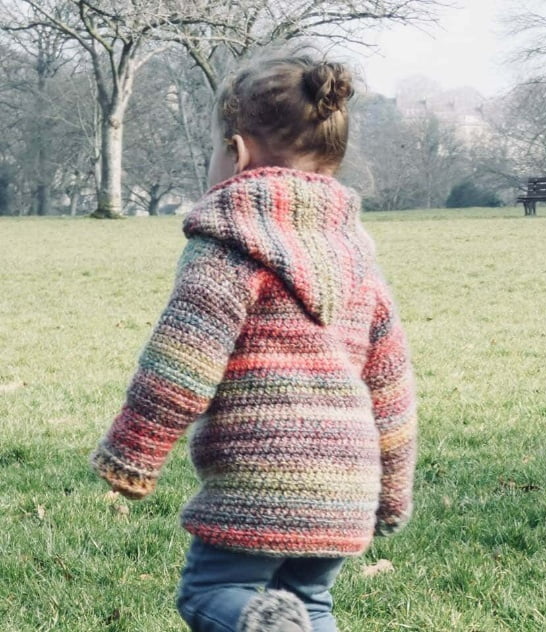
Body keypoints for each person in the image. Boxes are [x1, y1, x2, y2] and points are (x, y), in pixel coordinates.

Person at [91, 52, 417, 632]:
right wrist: (391, 491)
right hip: (346, 486)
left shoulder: (227, 248)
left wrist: (132, 450)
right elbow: (391, 390)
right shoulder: (360, 260)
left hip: (257, 478)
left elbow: (181, 363)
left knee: (214, 592)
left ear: (235, 151)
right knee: (310, 605)